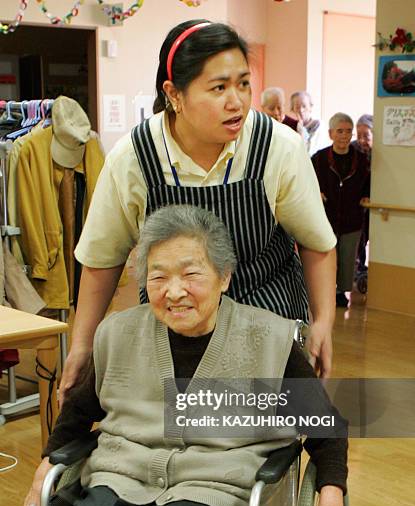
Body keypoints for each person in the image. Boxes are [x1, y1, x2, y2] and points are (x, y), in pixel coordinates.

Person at [25, 206, 347, 506]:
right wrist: (45, 467)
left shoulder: (268, 340)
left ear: (224, 277)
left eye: (191, 275)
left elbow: (326, 428)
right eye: (158, 277)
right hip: (120, 478)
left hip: (215, 489)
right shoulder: (118, 333)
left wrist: (330, 503)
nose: (173, 291)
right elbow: (77, 413)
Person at [61, 19, 338, 403]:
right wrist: (82, 344)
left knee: (255, 443)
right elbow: (101, 260)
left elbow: (316, 243)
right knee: (179, 435)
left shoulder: (276, 147)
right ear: (174, 94)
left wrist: (323, 321)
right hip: (174, 327)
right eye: (219, 87)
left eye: (243, 83)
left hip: (265, 321)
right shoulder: (135, 157)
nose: (237, 101)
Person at [311, 113, 370, 308]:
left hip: (352, 219)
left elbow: (369, 183)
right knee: (328, 257)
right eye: (340, 131)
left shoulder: (361, 160)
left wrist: (367, 195)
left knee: (347, 258)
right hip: (326, 218)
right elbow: (307, 181)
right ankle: (328, 291)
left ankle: (341, 291)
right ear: (330, 134)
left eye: (348, 132)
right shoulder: (319, 158)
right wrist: (316, 192)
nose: (344, 136)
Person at [351, 114, 373, 273]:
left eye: (366, 136)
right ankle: (359, 269)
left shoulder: (383, 152)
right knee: (359, 237)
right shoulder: (353, 149)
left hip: (375, 201)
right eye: (359, 136)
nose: (362, 140)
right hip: (357, 201)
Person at [290, 90, 330, 156]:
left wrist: (301, 130)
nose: (301, 110)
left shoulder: (319, 125)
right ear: (292, 109)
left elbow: (310, 151)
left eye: (304, 106)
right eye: (297, 107)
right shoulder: (291, 127)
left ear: (310, 107)